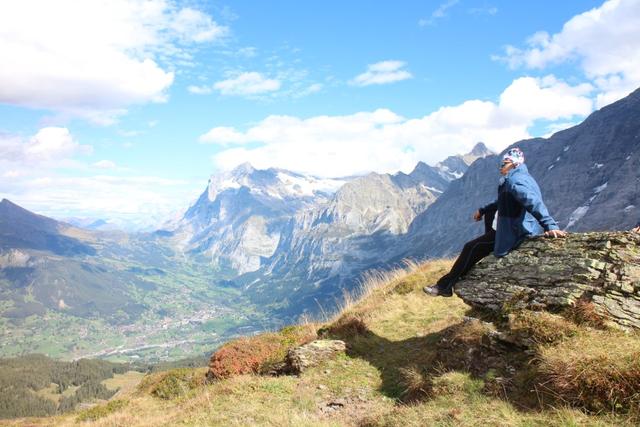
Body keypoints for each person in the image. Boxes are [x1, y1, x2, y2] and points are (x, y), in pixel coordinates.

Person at [424, 147, 567, 297]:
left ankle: (444, 287)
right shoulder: (519, 178)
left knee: (471, 247)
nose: (501, 167)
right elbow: (502, 200)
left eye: (504, 163)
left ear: (514, 164)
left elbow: (532, 202)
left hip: (514, 231)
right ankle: (489, 244)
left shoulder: (515, 181)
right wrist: (483, 210)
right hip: (511, 225)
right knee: (490, 213)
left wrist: (550, 225)